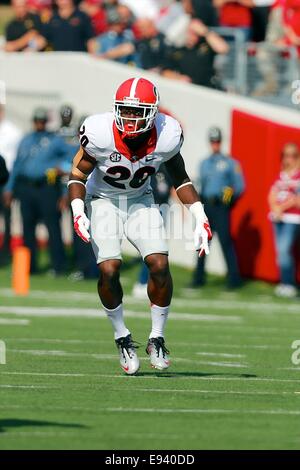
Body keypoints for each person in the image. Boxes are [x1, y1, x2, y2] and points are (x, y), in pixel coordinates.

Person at [68, 77, 212, 375]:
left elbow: (180, 178)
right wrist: (78, 209)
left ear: (153, 112)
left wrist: (200, 215)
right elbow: (77, 174)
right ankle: (122, 336)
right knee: (109, 269)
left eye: (138, 112)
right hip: (103, 200)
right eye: (126, 110)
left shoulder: (167, 133)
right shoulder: (98, 131)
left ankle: (157, 337)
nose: (131, 118)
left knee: (159, 264)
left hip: (140, 200)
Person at [3, 107, 69, 275]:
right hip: (26, 188)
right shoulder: (26, 140)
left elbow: (71, 157)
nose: (39, 124)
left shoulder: (55, 140)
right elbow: (17, 165)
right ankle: (30, 267)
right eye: (37, 120)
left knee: (53, 227)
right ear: (33, 121)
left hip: (47, 187)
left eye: (42, 121)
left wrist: (62, 168)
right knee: (28, 228)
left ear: (46, 122)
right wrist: (9, 188)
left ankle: (58, 266)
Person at [191, 126, 245, 289]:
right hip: (206, 205)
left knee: (225, 242)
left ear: (221, 142)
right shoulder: (204, 163)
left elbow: (239, 185)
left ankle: (234, 278)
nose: (215, 144)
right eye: (213, 141)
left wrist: (227, 198)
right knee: (202, 242)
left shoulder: (230, 163)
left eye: (217, 141)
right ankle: (198, 278)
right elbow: (200, 185)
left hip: (221, 207)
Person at [268, 142, 300, 298]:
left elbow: (298, 200)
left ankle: (289, 283)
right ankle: (284, 282)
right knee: (280, 253)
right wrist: (275, 207)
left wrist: (282, 208)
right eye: (286, 155)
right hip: (277, 218)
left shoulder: (298, 176)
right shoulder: (280, 176)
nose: (289, 159)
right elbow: (272, 194)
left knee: (284, 250)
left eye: (293, 155)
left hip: (293, 219)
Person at [161, 20, 229, 88]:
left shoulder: (206, 44)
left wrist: (205, 32)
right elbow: (165, 72)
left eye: (195, 32)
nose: (192, 35)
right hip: (189, 89)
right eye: (190, 31)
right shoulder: (178, 50)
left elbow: (223, 49)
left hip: (208, 87)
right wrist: (178, 78)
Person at [0, 104, 22, 264]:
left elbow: (15, 161)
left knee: (6, 220)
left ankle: (5, 255)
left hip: (4, 179)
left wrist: (9, 186)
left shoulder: (13, 132)